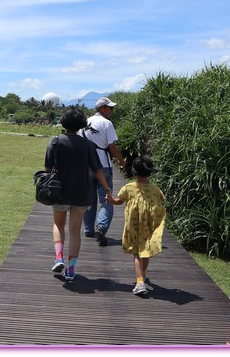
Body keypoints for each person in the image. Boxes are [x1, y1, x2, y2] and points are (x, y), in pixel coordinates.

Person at [44, 107, 113, 282]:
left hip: (60, 191)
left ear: (63, 122)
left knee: (58, 224)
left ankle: (58, 257)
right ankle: (71, 269)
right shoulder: (87, 145)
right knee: (75, 231)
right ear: (82, 124)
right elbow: (97, 170)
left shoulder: (55, 141)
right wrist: (107, 189)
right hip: (82, 192)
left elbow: (48, 168)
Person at [108, 155, 166, 296]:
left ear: (134, 172)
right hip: (150, 226)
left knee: (137, 253)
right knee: (145, 251)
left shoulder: (129, 188)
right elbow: (161, 201)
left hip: (133, 226)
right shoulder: (155, 190)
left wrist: (110, 200)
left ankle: (140, 282)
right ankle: (142, 277)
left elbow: (118, 201)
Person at [80, 97, 127, 246]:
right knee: (107, 198)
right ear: (101, 108)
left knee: (89, 199)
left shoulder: (84, 123)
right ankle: (101, 227)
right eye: (109, 108)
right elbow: (111, 146)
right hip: (103, 166)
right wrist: (122, 161)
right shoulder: (107, 123)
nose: (112, 111)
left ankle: (88, 229)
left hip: (86, 165)